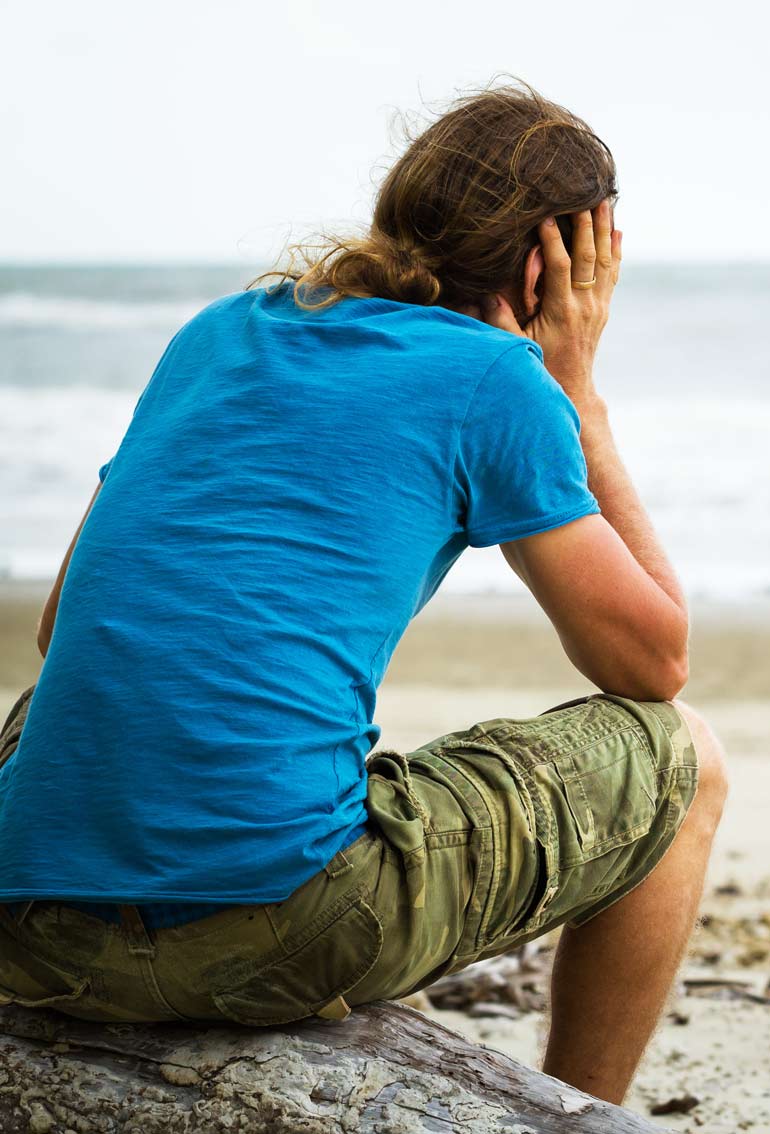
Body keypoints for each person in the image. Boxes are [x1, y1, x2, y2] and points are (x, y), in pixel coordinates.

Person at [0, 77, 728, 1106]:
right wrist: (579, 398)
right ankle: (578, 1119)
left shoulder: (215, 333)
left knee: (79, 699)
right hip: (279, 927)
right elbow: (653, 664)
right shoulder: (495, 381)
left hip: (31, 924)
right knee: (684, 758)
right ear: (551, 261)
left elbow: (60, 625)